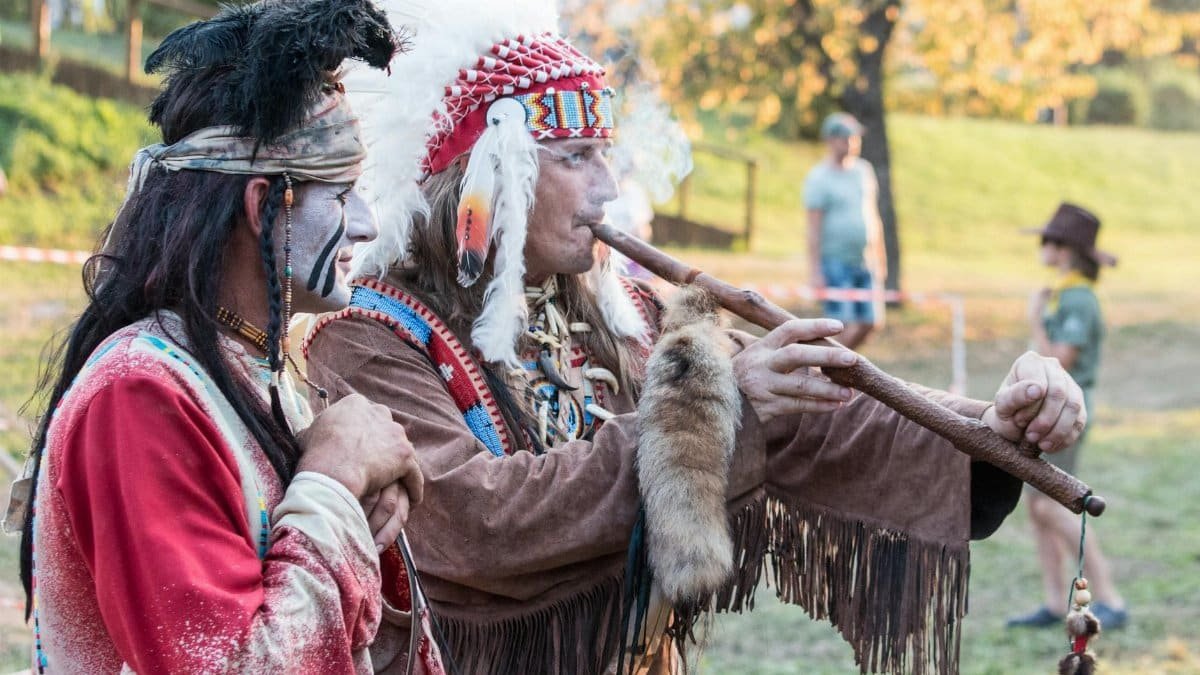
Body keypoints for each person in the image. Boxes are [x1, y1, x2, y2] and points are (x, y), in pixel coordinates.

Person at [304, 2, 1089, 672]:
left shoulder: (622, 312)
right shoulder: (368, 339)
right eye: (577, 158)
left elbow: (809, 422)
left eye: (605, 156)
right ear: (492, 175)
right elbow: (476, 523)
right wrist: (716, 409)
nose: (609, 189)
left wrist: (983, 430)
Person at [13, 1, 426, 671]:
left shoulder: (246, 368)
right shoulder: (137, 396)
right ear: (264, 206)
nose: (368, 225)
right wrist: (333, 475)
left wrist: (358, 497)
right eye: (342, 194)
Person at [1007, 203, 1128, 630]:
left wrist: (1036, 318)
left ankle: (1109, 598)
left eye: (1049, 241)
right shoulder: (1066, 291)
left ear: (1066, 250)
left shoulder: (1077, 298)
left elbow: (1061, 358)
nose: (1042, 247)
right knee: (1038, 507)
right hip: (1051, 412)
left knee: (1057, 505)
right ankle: (1055, 601)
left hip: (1066, 412)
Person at [803, 112, 887, 349]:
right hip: (835, 261)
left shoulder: (864, 171)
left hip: (865, 260)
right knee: (839, 325)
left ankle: (840, 368)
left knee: (872, 321)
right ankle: (832, 370)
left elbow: (873, 216)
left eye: (854, 138)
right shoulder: (819, 178)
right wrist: (815, 270)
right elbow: (813, 227)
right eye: (845, 138)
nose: (851, 143)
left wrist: (880, 258)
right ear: (830, 140)